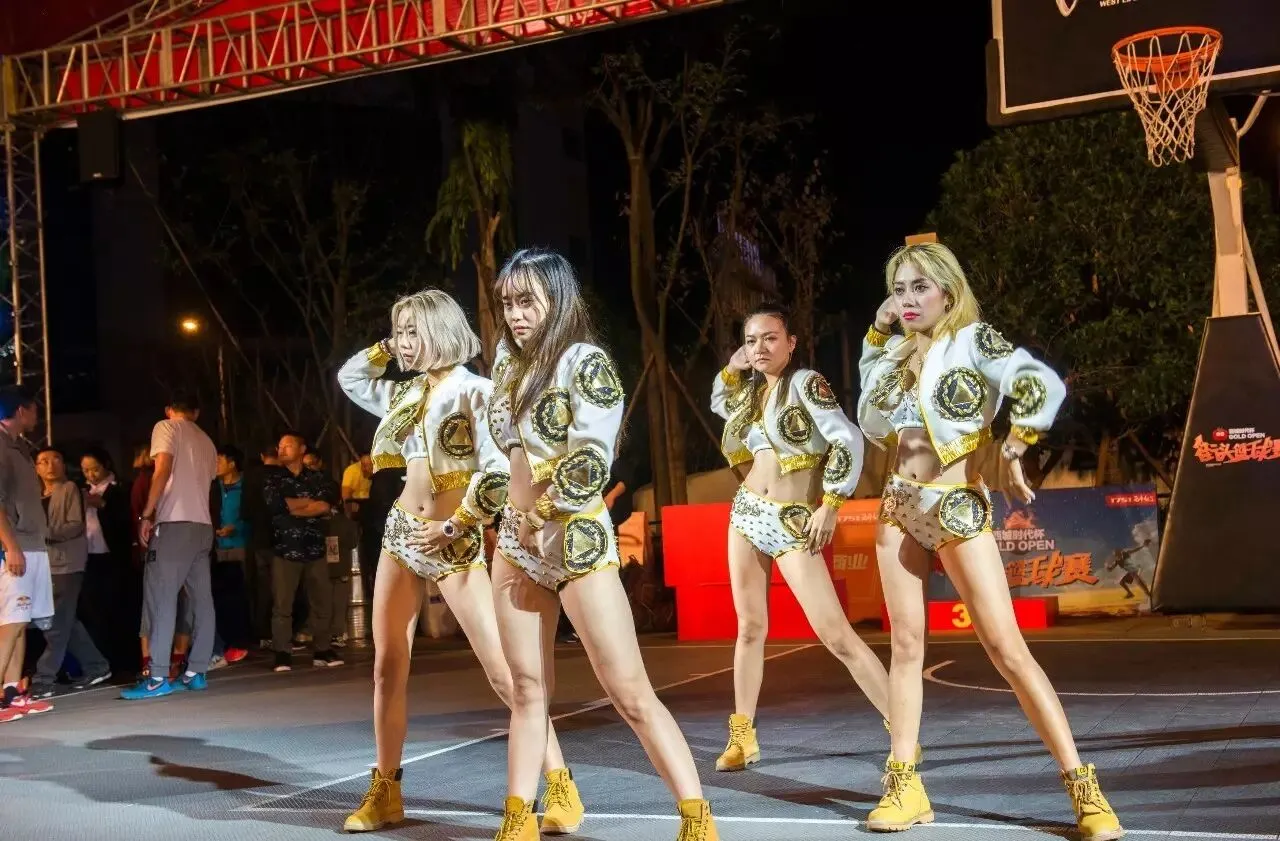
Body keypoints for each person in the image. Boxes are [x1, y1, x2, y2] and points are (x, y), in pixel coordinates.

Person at [857, 241, 1122, 840]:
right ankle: (905, 786)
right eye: (898, 289)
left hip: (957, 504)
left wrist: (1016, 442)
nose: (907, 299)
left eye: (920, 287)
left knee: (1007, 649)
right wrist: (877, 335)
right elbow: (870, 420)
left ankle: (1083, 787)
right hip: (898, 506)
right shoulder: (896, 353)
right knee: (905, 648)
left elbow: (1039, 382)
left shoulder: (973, 341)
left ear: (947, 291)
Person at [486, 248, 718, 841]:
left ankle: (696, 818)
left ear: (558, 299)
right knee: (526, 691)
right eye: (508, 303)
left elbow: (593, 461)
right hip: (516, 544)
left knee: (629, 692)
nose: (515, 314)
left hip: (576, 540)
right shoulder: (507, 365)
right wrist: (496, 516)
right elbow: (504, 456)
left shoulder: (584, 362)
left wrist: (540, 511)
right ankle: (518, 821)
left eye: (527, 301)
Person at [336, 289, 585, 835]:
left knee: (506, 674)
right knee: (387, 667)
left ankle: (560, 784)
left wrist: (454, 527)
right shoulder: (404, 394)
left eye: (412, 332)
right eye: (398, 333)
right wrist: (388, 346)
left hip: (454, 541)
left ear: (440, 331)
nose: (403, 343)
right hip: (402, 534)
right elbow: (350, 378)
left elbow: (497, 474)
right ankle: (386, 791)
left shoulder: (479, 392)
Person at [708, 303, 906, 772]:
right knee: (749, 628)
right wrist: (732, 369)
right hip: (746, 514)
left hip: (795, 522)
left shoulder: (805, 383)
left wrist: (831, 504)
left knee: (835, 635)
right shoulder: (751, 396)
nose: (760, 347)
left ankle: (903, 730)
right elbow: (720, 402)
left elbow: (848, 439)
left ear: (791, 343)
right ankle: (743, 736)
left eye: (770, 338)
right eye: (751, 340)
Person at [122, 393, 219, 700]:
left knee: (161, 598)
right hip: (202, 526)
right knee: (202, 600)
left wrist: (147, 514)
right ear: (196, 412)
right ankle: (196, 672)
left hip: (174, 524)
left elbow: (162, 468)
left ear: (168, 410)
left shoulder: (166, 427)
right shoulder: (207, 441)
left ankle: (157, 676)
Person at [30, 447, 111, 697]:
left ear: (64, 465)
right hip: (42, 565)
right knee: (65, 621)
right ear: (36, 468)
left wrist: (42, 534)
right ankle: (97, 666)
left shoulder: (70, 489)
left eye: (56, 459)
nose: (50, 465)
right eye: (44, 461)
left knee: (56, 623)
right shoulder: (34, 495)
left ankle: (44, 678)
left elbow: (75, 525)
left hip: (67, 564)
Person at [262, 433, 343, 672]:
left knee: (322, 602)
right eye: (280, 446)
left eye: (288, 445)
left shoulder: (318, 478)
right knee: (282, 604)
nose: (282, 449)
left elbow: (326, 504)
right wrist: (309, 505)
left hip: (315, 547)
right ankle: (282, 652)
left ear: (302, 448)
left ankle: (322, 649)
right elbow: (277, 505)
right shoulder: (273, 478)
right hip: (285, 548)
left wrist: (295, 507)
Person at [0, 385, 55, 722]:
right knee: (12, 621)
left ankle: (11, 694)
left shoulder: (18, 446)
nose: (37, 416)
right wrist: (10, 546)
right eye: (34, 409)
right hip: (14, 546)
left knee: (17, 623)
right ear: (21, 410)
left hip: (30, 544)